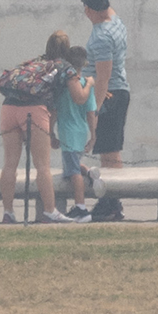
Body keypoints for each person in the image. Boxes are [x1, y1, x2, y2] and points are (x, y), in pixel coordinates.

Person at [0, 30, 72, 223]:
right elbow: (55, 102)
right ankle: (49, 211)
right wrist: (51, 132)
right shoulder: (62, 66)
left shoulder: (33, 62)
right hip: (34, 110)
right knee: (42, 166)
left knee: (10, 163)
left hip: (8, 107)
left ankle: (8, 212)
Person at [74, 0, 132, 185]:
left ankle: (112, 197)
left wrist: (95, 110)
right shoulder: (116, 22)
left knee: (108, 152)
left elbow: (103, 78)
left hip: (109, 95)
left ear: (90, 11)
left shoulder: (102, 37)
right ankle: (111, 197)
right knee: (110, 149)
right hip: (118, 91)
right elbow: (108, 8)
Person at [54, 43, 99, 220]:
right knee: (71, 165)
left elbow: (54, 111)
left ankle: (81, 207)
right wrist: (93, 136)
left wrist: (50, 133)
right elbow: (91, 113)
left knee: (72, 172)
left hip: (68, 133)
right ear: (84, 64)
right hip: (81, 132)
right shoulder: (87, 84)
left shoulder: (63, 85)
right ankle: (89, 172)